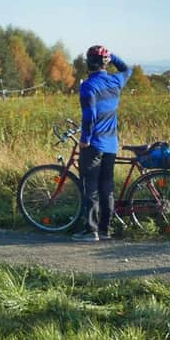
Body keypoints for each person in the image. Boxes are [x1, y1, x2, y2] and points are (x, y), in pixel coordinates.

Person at [71, 45, 132, 242]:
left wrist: (85, 139)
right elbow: (127, 69)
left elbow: (90, 115)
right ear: (105, 62)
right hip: (111, 144)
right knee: (107, 188)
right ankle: (105, 230)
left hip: (94, 144)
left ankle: (91, 231)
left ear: (89, 63)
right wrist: (111, 55)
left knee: (91, 187)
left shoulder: (88, 86)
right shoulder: (116, 81)